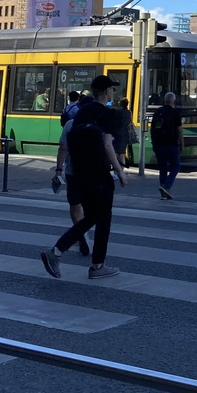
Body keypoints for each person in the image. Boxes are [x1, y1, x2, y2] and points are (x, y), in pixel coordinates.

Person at [41, 75, 128, 280]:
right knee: (103, 219)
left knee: (91, 217)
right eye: (112, 90)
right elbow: (107, 145)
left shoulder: (81, 113)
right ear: (106, 91)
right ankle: (97, 266)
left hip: (79, 173)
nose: (113, 93)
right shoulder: (107, 114)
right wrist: (120, 171)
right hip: (98, 173)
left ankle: (56, 251)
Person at [52, 94, 94, 258]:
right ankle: (83, 232)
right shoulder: (98, 124)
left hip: (72, 172)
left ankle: (80, 232)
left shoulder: (70, 124)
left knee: (75, 205)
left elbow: (63, 148)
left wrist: (58, 170)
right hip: (92, 173)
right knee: (92, 208)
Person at [151, 92, 184, 200]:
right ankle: (166, 186)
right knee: (176, 165)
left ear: (164, 101)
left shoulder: (158, 112)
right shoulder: (175, 113)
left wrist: (153, 143)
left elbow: (152, 129)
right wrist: (182, 144)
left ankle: (164, 193)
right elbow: (179, 131)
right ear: (174, 102)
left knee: (163, 167)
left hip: (158, 144)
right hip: (171, 144)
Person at [113, 97, 134, 168]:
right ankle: (121, 168)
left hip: (118, 133)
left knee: (116, 153)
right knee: (122, 153)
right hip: (125, 134)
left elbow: (115, 122)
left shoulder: (118, 112)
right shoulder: (129, 112)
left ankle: (116, 169)